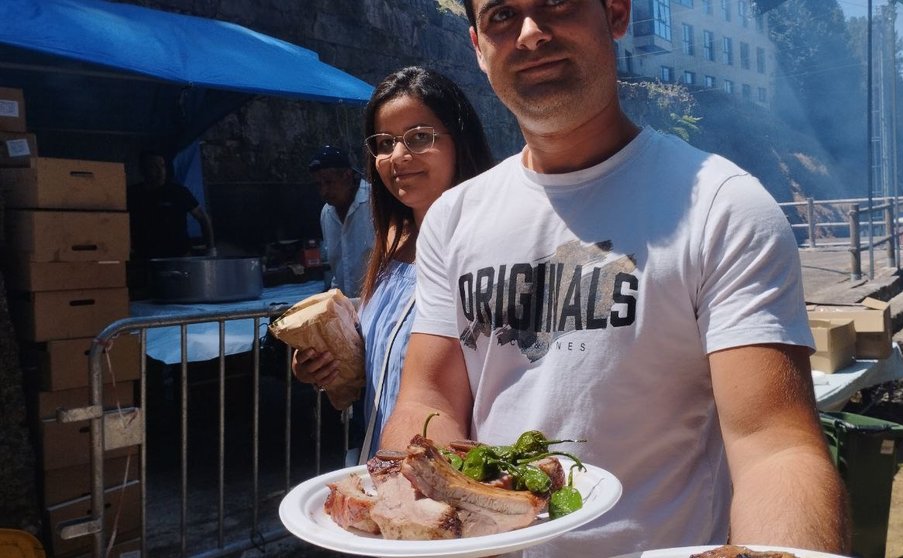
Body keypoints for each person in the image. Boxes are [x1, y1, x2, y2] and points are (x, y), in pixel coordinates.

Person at [379, 1, 850, 557]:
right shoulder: (453, 220)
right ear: (478, 48)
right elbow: (428, 396)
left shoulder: (723, 207)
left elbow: (774, 447)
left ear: (617, 14)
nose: (530, 34)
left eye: (557, 3)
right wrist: (420, 517)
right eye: (502, 15)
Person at [293, 66, 494, 457]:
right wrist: (324, 361)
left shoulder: (491, 248)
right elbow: (384, 359)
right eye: (384, 143)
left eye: (420, 137)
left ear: (461, 141)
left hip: (454, 472)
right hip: (382, 461)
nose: (398, 156)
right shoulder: (390, 240)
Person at [307, 145, 375, 298]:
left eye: (329, 182)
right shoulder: (326, 213)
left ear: (347, 176)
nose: (324, 191)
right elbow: (339, 270)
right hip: (349, 310)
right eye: (319, 185)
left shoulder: (376, 202)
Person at [128, 151, 215, 259]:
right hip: (144, 256)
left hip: (179, 255)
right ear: (143, 169)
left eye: (162, 165)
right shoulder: (133, 194)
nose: (161, 171)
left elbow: (202, 217)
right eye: (154, 166)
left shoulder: (179, 192)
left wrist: (211, 248)